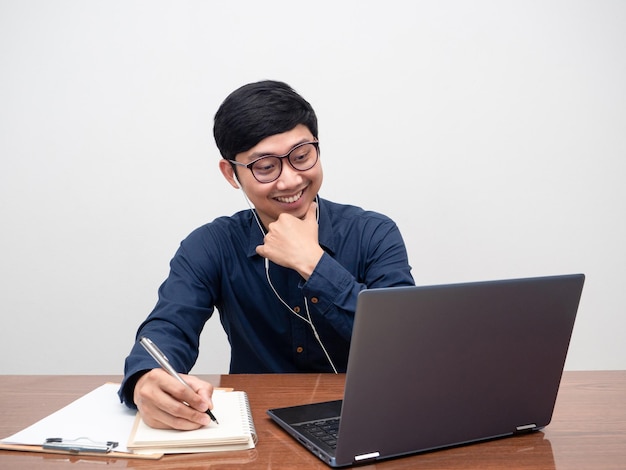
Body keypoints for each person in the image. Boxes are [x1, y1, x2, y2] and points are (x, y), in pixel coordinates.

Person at [119, 80, 414, 430]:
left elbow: (404, 345)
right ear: (231, 174)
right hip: (255, 428)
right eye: (265, 167)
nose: (290, 180)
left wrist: (313, 263)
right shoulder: (210, 245)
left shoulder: (374, 233)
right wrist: (144, 381)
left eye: (302, 157)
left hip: (367, 421)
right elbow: (168, 327)